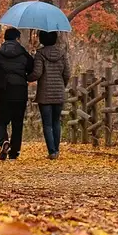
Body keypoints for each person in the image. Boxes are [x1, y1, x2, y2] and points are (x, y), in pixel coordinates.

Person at [0, 28, 34, 161]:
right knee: (17, 123)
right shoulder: (24, 54)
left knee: (1, 121)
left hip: (3, 92)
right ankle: (14, 152)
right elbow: (32, 69)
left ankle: (4, 141)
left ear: (4, 39)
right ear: (17, 39)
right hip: (19, 92)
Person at [28, 31, 71, 160]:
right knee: (56, 122)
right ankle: (57, 150)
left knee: (47, 123)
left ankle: (51, 151)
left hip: (44, 94)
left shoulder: (40, 54)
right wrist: (62, 85)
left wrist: (26, 77)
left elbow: (36, 73)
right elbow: (67, 73)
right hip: (58, 93)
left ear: (42, 39)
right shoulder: (62, 53)